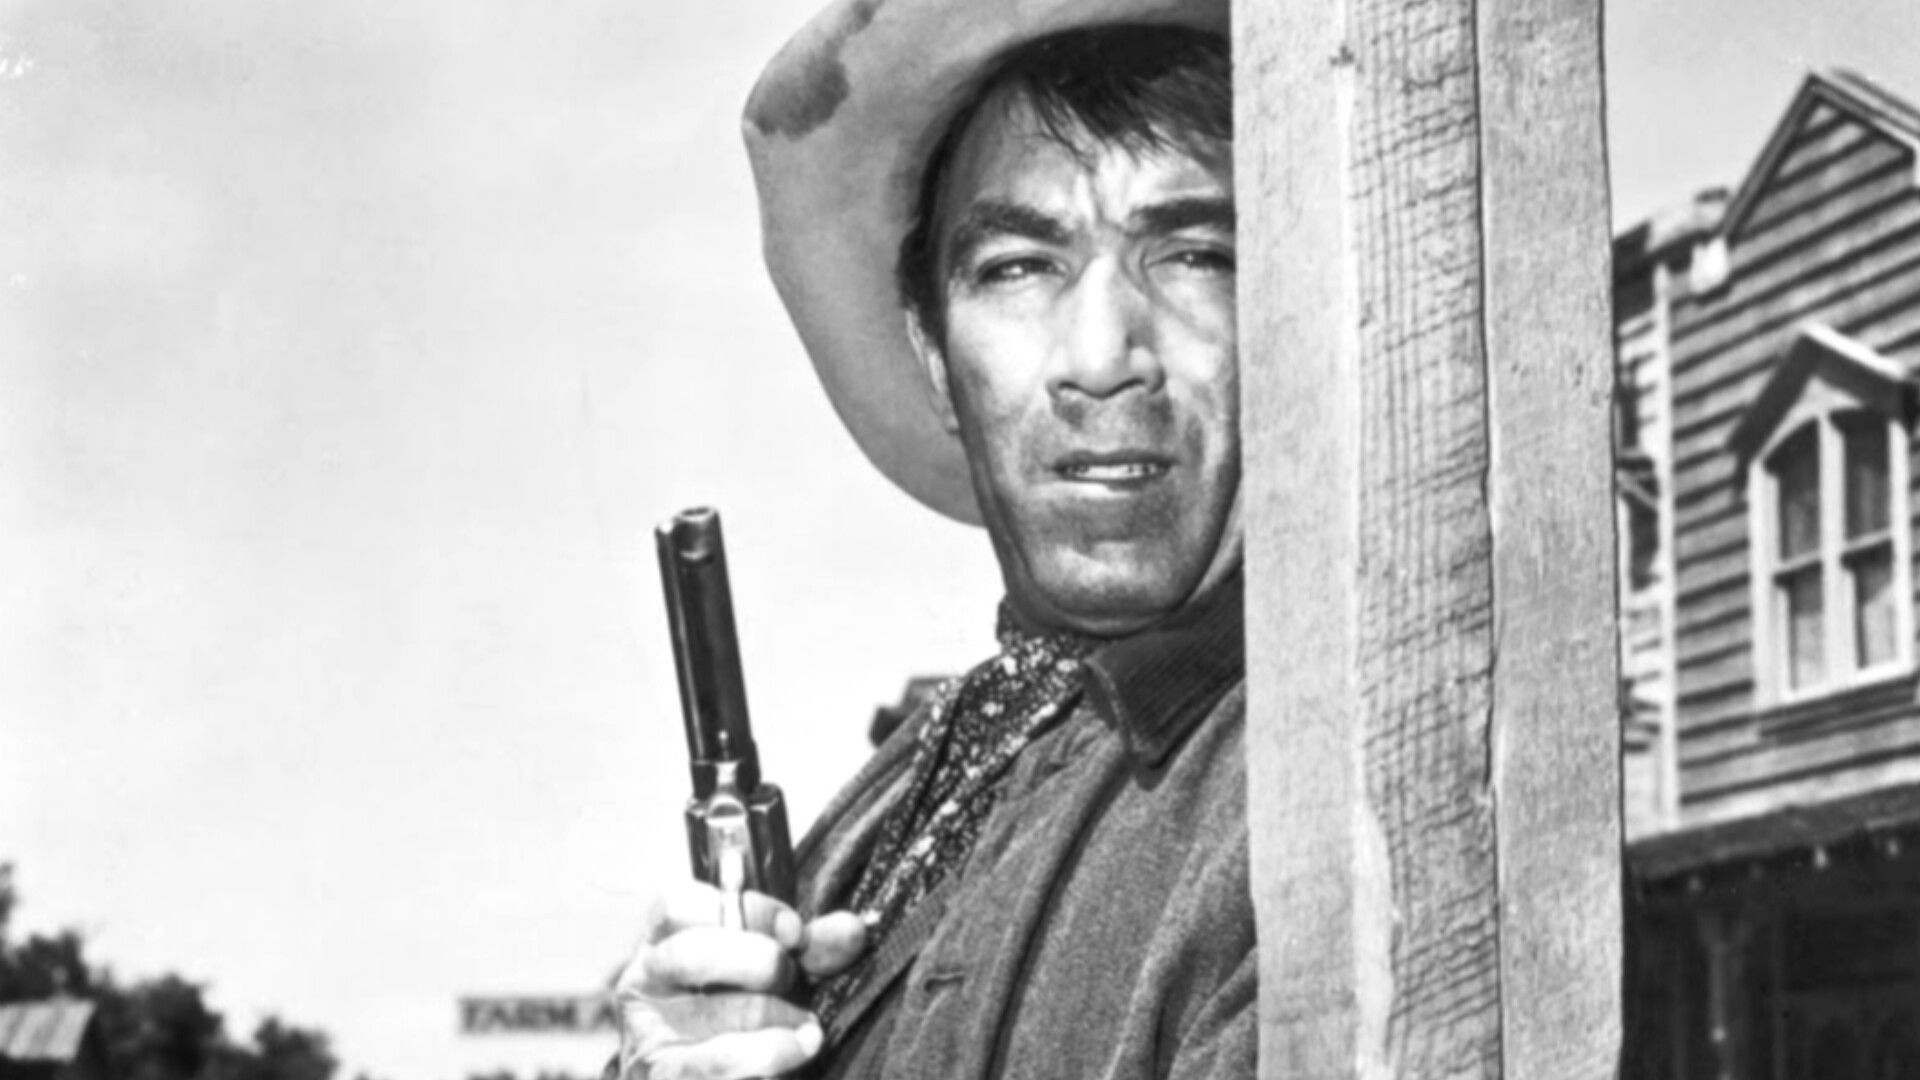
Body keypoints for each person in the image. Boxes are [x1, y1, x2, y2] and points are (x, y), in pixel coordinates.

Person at [615, 0, 1249, 1075]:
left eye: (1195, 254)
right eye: (1019, 266)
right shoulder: (889, 801)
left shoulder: (1329, 788)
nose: (1101, 356)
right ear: (934, 354)